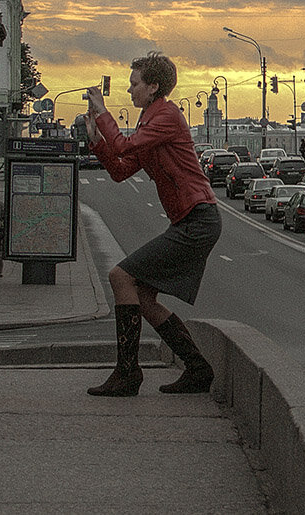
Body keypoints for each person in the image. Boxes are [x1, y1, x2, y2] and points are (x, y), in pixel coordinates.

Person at [84, 53, 223, 397]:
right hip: (190, 220)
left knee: (120, 276)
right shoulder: (150, 121)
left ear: (153, 86)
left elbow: (123, 145)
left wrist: (102, 113)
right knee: (141, 296)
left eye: (134, 84)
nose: (130, 90)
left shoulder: (166, 115)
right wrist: (96, 141)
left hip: (198, 219)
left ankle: (128, 374)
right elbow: (119, 169)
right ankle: (197, 369)